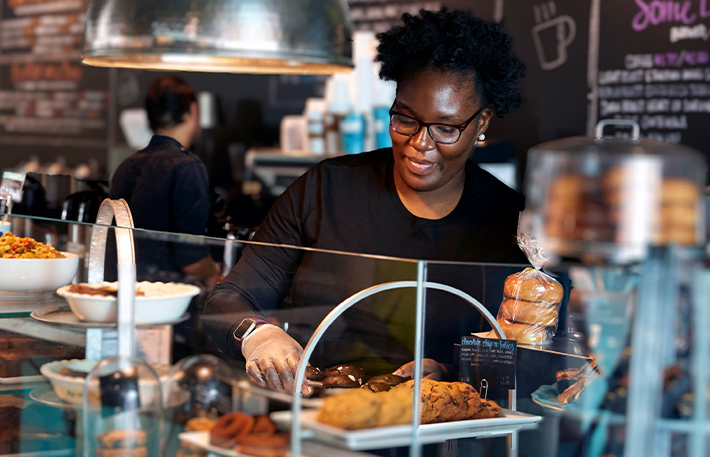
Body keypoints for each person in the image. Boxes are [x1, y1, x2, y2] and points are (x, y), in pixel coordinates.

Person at [202, 9, 528, 392]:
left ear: (482, 122)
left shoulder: (508, 221)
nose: (420, 144)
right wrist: (257, 335)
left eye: (446, 128)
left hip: (442, 435)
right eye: (405, 119)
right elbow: (227, 299)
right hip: (318, 424)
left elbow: (527, 348)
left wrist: (452, 370)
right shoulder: (326, 190)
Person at [108, 76, 219, 287]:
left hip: (123, 295)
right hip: (166, 301)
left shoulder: (126, 166)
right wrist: (213, 270)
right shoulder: (188, 168)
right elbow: (192, 263)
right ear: (193, 110)